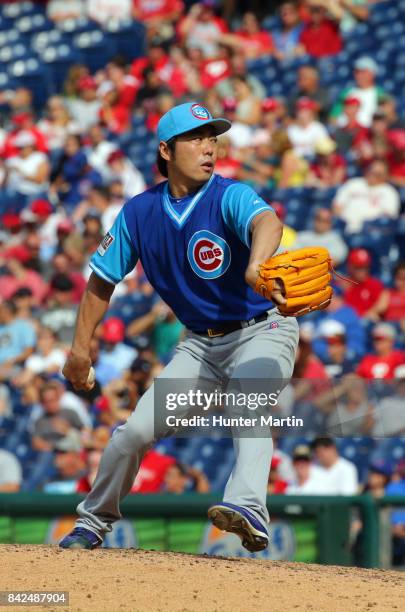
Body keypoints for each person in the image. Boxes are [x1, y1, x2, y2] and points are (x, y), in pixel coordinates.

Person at [59, 101, 299, 552]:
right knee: (133, 433)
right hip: (200, 349)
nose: (209, 147)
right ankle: (93, 522)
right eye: (197, 138)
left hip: (264, 329)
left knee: (249, 401)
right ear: (166, 151)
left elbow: (268, 220)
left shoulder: (229, 195)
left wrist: (257, 266)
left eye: (213, 138)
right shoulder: (139, 212)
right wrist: (79, 350)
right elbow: (101, 281)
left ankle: (248, 507)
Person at [333, 160, 400, 233]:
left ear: (386, 176)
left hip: (369, 231)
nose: (373, 175)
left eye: (378, 174)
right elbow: (337, 206)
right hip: (343, 227)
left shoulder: (389, 192)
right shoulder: (353, 183)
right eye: (371, 171)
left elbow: (388, 217)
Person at [344, 248, 384, 317]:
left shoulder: (375, 284)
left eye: (365, 267)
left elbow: (380, 307)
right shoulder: (343, 285)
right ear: (350, 267)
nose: (363, 270)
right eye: (358, 267)